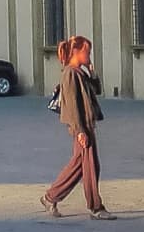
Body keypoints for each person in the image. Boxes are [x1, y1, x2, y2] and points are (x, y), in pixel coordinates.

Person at [40, 35, 110, 219]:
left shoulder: (80, 73)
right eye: (87, 52)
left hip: (86, 125)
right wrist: (80, 131)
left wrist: (92, 72)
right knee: (91, 167)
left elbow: (97, 90)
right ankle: (96, 207)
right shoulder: (70, 74)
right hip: (82, 127)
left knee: (79, 166)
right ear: (77, 52)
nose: (89, 55)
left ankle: (50, 197)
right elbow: (71, 104)